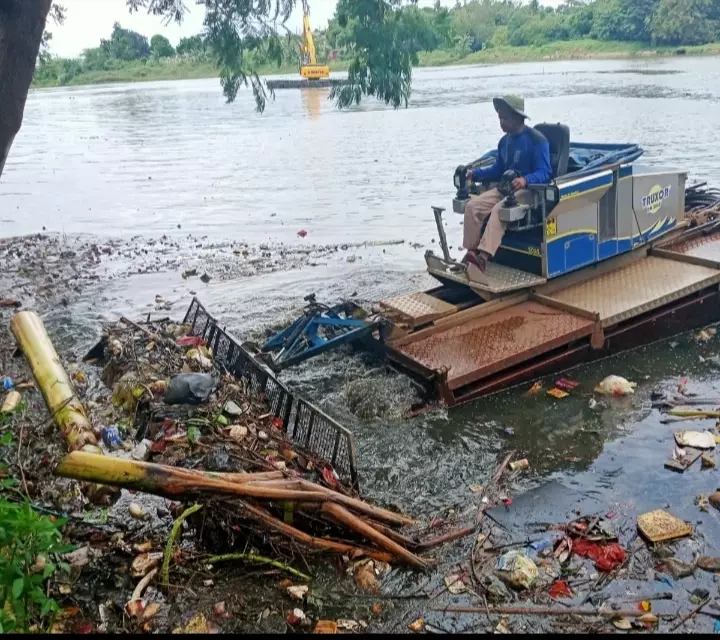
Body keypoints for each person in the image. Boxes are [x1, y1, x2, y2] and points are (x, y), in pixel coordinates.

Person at [462, 95, 552, 274]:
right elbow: (497, 170)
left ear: (518, 117)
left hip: (529, 191)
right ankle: (471, 253)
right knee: (472, 206)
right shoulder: (504, 142)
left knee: (498, 210)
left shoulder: (537, 140)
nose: (501, 123)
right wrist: (475, 174)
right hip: (506, 188)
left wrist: (525, 180)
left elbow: (545, 172)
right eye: (499, 118)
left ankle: (483, 258)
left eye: (504, 118)